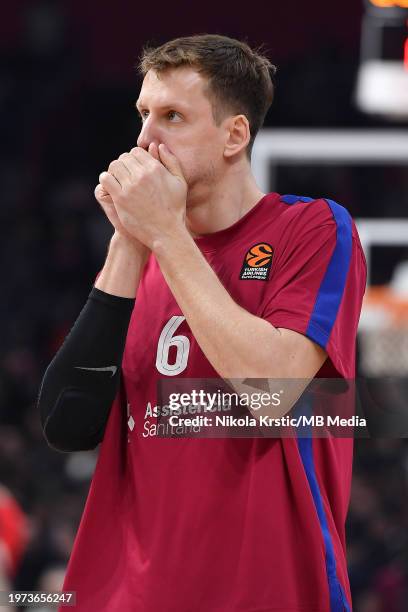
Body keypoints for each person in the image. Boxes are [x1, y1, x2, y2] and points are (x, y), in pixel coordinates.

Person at [38, 34, 367, 611]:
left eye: (172, 117)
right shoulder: (143, 255)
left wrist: (165, 234)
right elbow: (68, 425)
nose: (145, 140)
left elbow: (269, 394)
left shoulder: (313, 229)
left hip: (269, 592)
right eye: (143, 115)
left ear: (234, 135)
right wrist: (129, 240)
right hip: (127, 595)